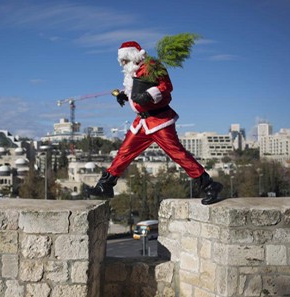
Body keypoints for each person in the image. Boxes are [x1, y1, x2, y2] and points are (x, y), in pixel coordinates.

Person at [85, 41, 223, 205]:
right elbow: (135, 91)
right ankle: (105, 185)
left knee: (177, 153)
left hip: (159, 120)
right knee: (124, 151)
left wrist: (150, 94)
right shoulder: (133, 71)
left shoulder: (152, 66)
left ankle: (209, 185)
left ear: (133, 55)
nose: (122, 63)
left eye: (124, 59)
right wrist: (124, 95)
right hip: (142, 121)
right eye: (121, 60)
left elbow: (166, 86)